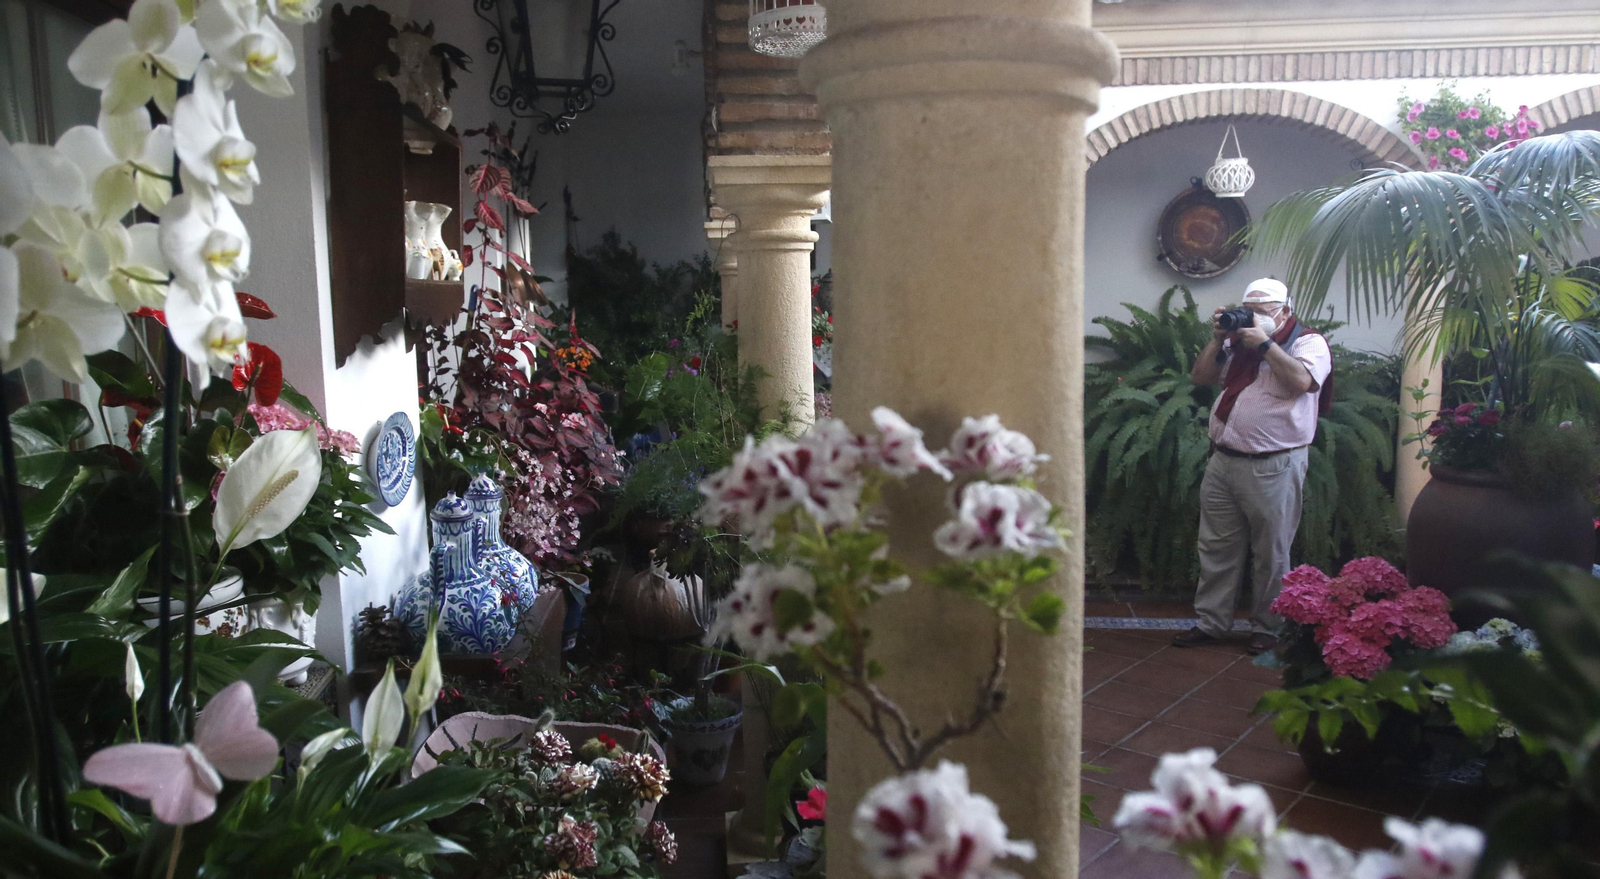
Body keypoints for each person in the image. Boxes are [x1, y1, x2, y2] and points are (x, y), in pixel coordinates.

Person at [1172, 278, 1332, 655]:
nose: (1255, 315)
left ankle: (1268, 628)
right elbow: (1201, 377)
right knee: (1215, 546)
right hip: (1224, 460)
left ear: (1285, 311)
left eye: (1263, 309)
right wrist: (1218, 337)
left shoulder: (1309, 342)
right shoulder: (1235, 343)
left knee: (1271, 551)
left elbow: (1301, 382)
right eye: (1250, 308)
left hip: (1273, 464)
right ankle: (1212, 623)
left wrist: (1264, 343)